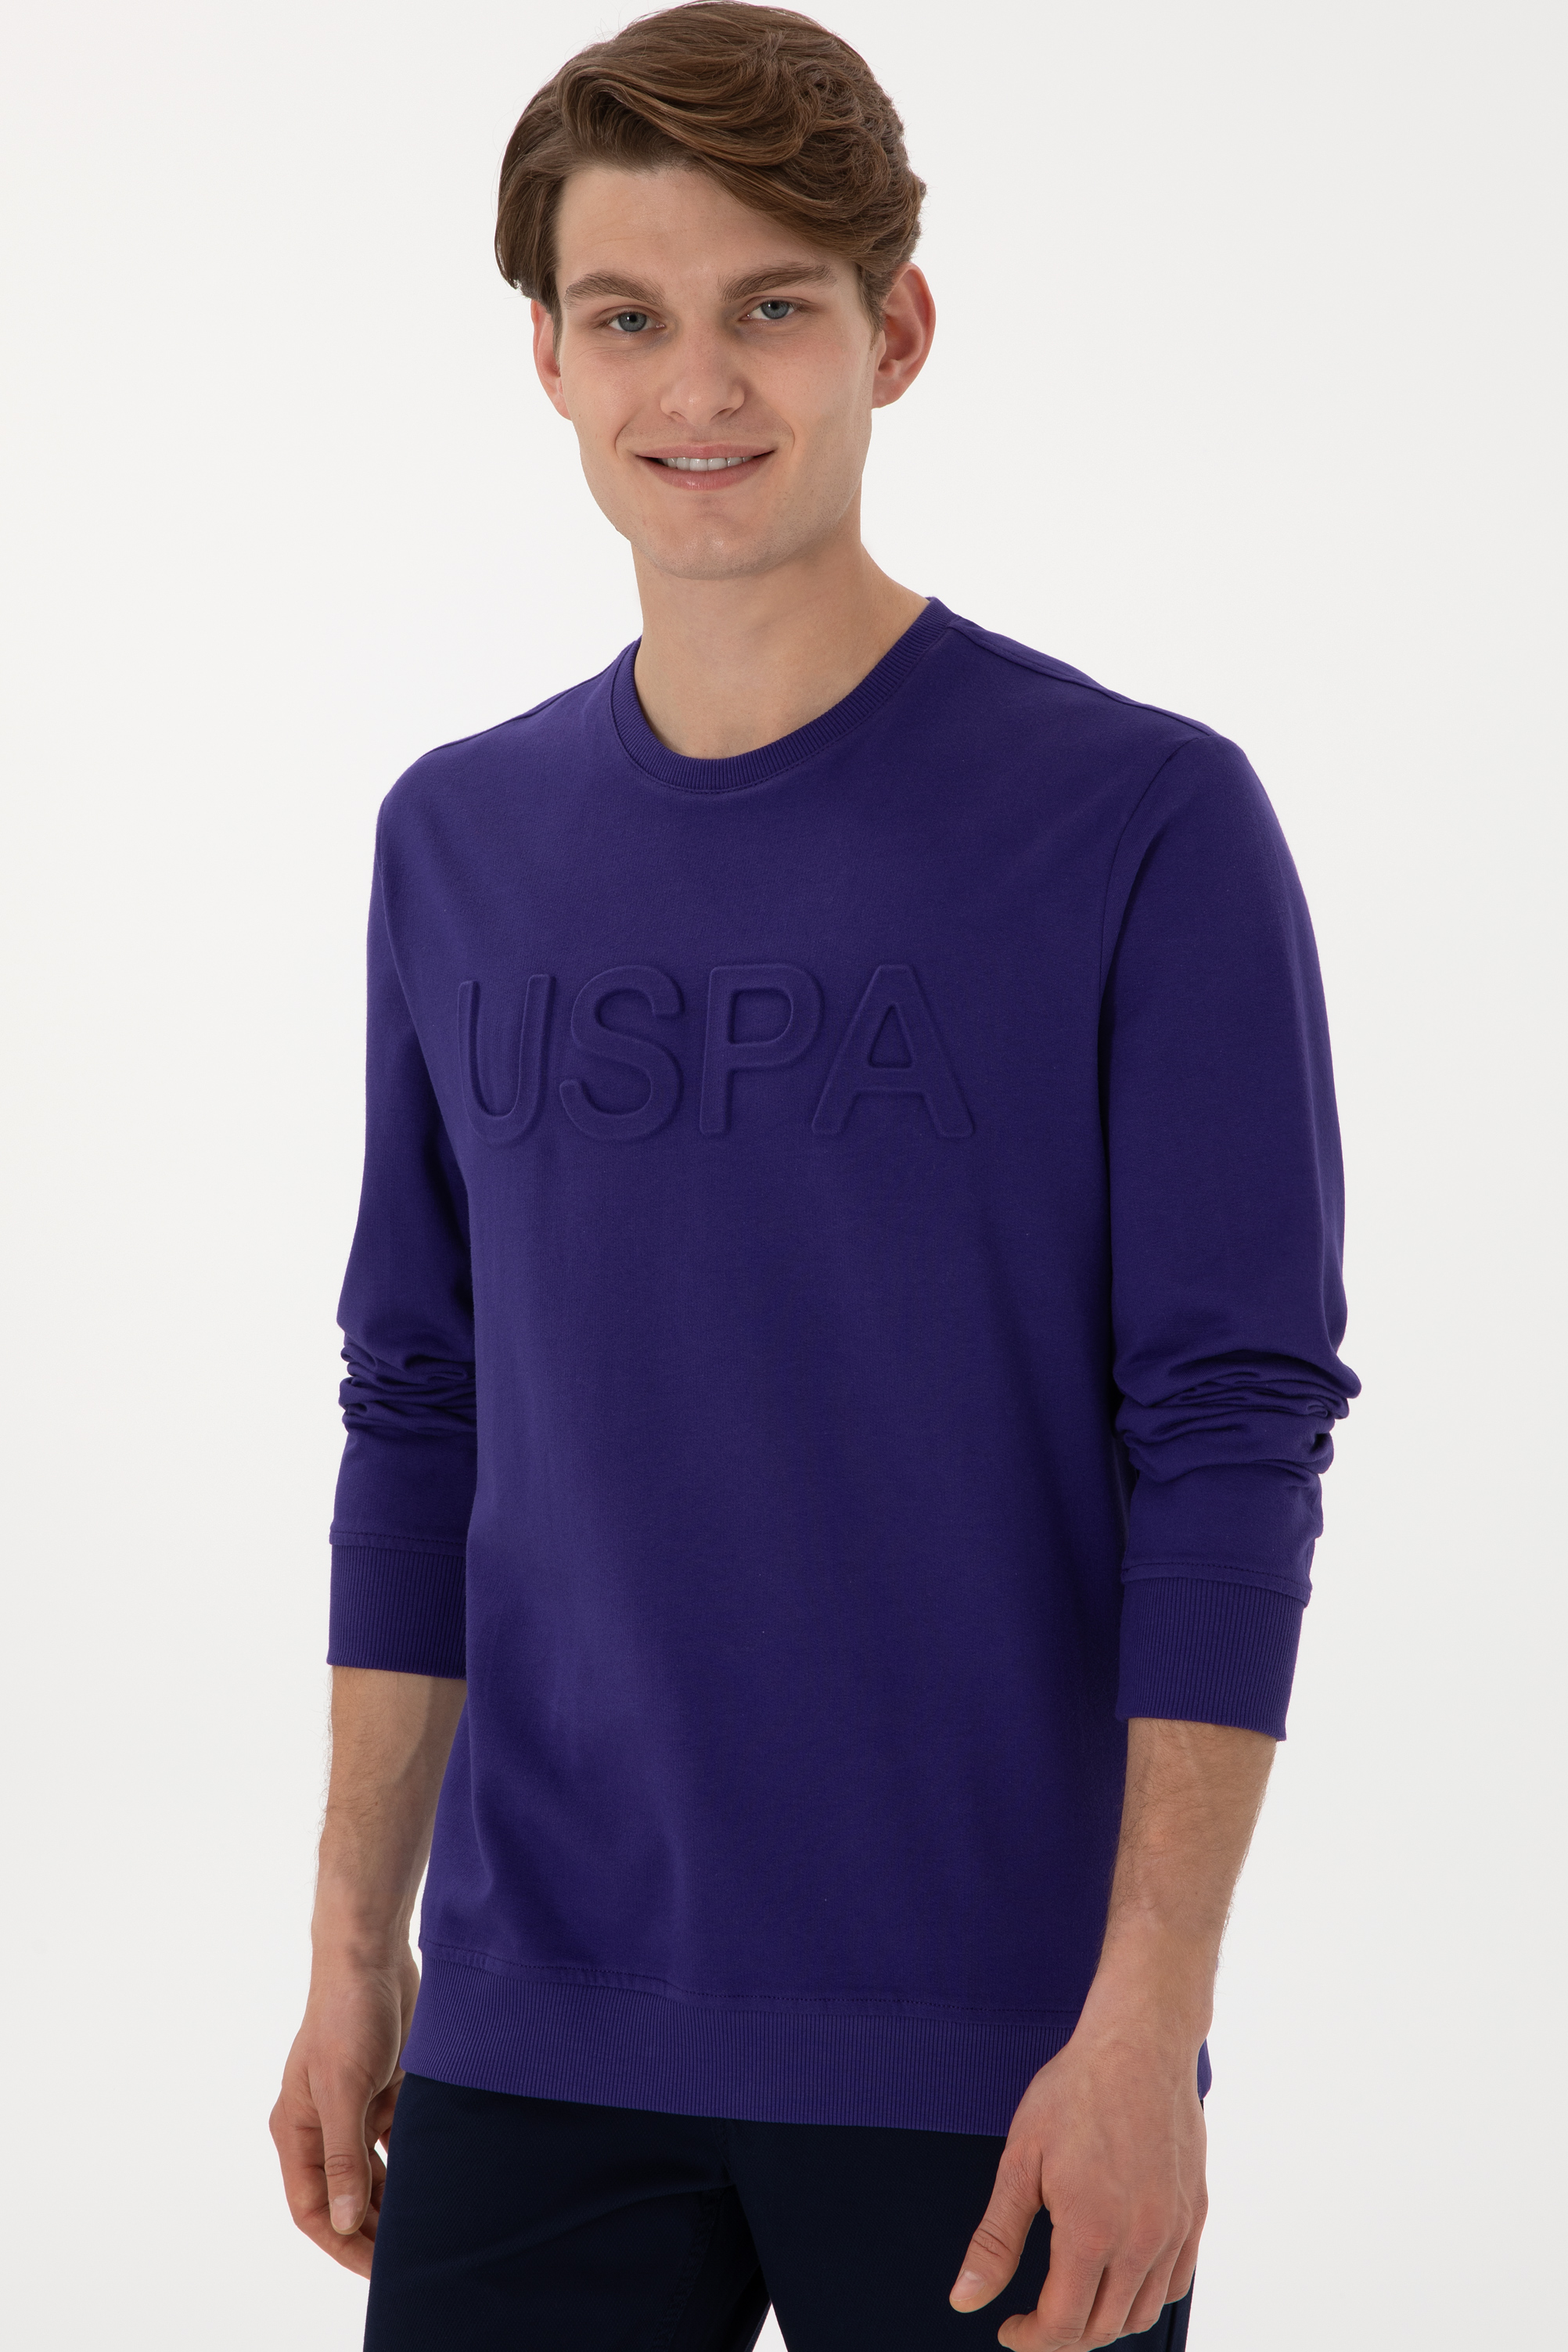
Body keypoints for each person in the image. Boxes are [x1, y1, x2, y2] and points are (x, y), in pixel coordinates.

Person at [268, 7, 1358, 2346]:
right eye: (626, 317)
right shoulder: (457, 840)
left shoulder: (1139, 821)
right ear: (546, 357)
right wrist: (355, 1949)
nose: (700, 386)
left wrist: (1149, 2020)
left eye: (771, 305)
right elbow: (419, 1404)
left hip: (998, 2049)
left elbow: (1232, 1430)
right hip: (534, 2029)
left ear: (897, 332)